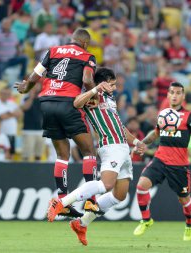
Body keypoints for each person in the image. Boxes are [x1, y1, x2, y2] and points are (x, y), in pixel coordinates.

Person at [14, 28, 113, 218]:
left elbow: (35, 76)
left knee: (62, 155)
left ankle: (62, 200)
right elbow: (86, 79)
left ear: (71, 40)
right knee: (88, 152)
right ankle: (91, 201)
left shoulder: (53, 51)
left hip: (47, 103)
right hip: (69, 103)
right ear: (85, 43)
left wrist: (25, 87)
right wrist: (93, 95)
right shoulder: (87, 55)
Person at [46, 68, 146, 246]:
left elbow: (120, 126)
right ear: (103, 82)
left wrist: (136, 141)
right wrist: (95, 88)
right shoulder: (94, 96)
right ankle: (61, 202)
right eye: (112, 84)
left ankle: (81, 223)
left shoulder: (110, 98)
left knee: (119, 195)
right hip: (110, 146)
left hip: (123, 147)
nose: (114, 87)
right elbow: (77, 103)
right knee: (106, 185)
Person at [133, 82, 191, 241]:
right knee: (141, 186)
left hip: (179, 166)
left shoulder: (189, 116)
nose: (174, 95)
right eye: (172, 92)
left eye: (178, 93)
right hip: (160, 160)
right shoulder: (163, 114)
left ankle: (190, 223)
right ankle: (146, 220)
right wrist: (141, 143)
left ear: (183, 96)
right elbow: (155, 135)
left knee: (184, 200)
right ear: (167, 95)